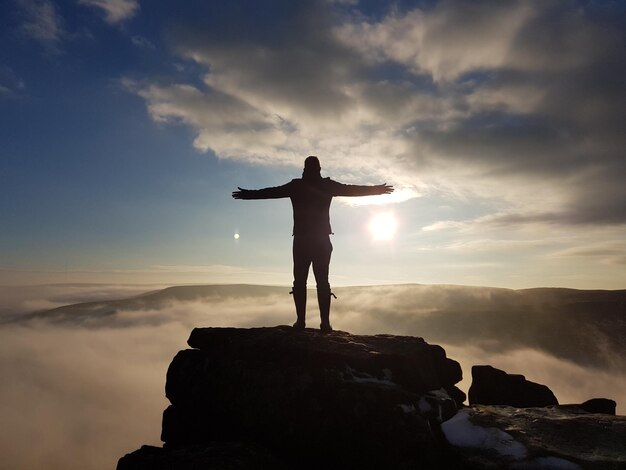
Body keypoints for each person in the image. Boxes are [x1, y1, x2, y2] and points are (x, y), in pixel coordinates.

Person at [232, 156, 393, 333]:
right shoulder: (327, 185)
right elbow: (353, 190)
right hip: (321, 240)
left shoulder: (296, 186)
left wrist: (248, 194)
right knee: (322, 282)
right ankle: (325, 323)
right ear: (319, 168)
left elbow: (271, 192)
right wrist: (377, 190)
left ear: (304, 168)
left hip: (301, 240)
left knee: (300, 282)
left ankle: (301, 321)